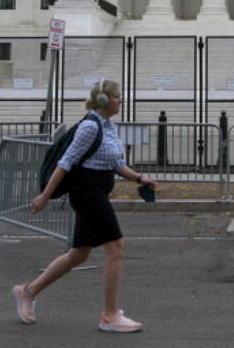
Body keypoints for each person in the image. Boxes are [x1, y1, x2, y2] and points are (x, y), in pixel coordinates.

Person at [12, 79, 159, 331]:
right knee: (116, 247)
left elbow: (115, 162)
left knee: (79, 254)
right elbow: (65, 162)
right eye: (116, 97)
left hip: (98, 189)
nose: (120, 100)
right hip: (87, 192)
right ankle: (110, 316)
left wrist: (138, 177)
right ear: (103, 100)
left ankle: (28, 291)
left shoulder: (108, 125)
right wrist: (45, 196)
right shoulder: (90, 127)